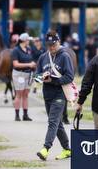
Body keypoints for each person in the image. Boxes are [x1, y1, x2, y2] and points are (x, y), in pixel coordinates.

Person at [36, 30, 74, 161]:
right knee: (57, 124)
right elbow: (36, 76)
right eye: (49, 45)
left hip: (59, 94)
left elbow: (69, 76)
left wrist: (54, 81)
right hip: (47, 95)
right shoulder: (43, 57)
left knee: (52, 122)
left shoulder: (65, 56)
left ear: (58, 42)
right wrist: (42, 77)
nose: (51, 47)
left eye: (53, 44)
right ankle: (67, 149)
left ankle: (45, 149)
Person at [11, 33, 36, 121]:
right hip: (19, 74)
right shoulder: (16, 50)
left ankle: (25, 115)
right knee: (19, 95)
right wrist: (29, 64)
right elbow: (16, 64)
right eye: (28, 40)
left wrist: (33, 64)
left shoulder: (28, 49)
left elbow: (31, 59)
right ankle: (17, 115)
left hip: (28, 74)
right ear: (24, 40)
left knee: (25, 94)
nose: (29, 41)